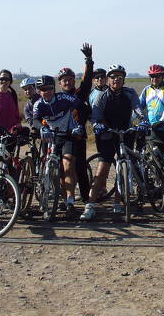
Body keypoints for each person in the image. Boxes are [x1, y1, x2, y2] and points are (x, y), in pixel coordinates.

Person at [84, 64, 147, 221]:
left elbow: (137, 108)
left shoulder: (130, 93)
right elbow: (96, 116)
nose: (116, 80)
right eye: (113, 77)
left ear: (124, 79)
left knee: (123, 165)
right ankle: (90, 205)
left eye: (120, 77)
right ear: (108, 79)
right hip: (107, 133)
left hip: (125, 133)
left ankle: (118, 203)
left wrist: (143, 119)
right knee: (103, 167)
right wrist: (98, 125)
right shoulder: (102, 96)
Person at [33, 74, 87, 219]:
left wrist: (80, 125)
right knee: (54, 170)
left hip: (68, 135)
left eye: (50, 88)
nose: (47, 91)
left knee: (68, 166)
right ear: (39, 91)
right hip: (51, 137)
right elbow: (35, 119)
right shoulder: (38, 104)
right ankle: (56, 196)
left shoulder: (64, 98)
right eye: (43, 89)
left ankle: (70, 202)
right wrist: (41, 128)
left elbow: (83, 108)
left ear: (54, 88)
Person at [56, 43, 95, 204]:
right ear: (60, 83)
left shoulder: (79, 94)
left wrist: (89, 61)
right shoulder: (56, 99)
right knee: (60, 170)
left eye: (70, 79)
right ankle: (65, 201)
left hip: (77, 138)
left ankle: (86, 201)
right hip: (60, 137)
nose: (67, 82)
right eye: (64, 80)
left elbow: (86, 82)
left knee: (80, 169)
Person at [139, 64, 164, 156]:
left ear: (162, 76)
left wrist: (162, 121)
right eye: (152, 76)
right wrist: (131, 121)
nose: (154, 79)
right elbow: (138, 107)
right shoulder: (147, 90)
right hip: (154, 128)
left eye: (157, 76)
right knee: (156, 158)